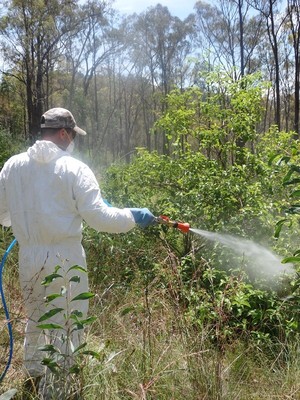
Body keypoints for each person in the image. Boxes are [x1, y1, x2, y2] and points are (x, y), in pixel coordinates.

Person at [0, 107, 155, 388]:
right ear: (63, 133)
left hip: (28, 258)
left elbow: (2, 213)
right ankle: (60, 386)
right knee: (67, 322)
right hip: (64, 259)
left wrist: (28, 222)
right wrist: (134, 216)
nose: (73, 141)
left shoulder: (13, 165)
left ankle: (34, 376)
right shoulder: (75, 168)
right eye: (72, 135)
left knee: (35, 318)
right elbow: (101, 218)